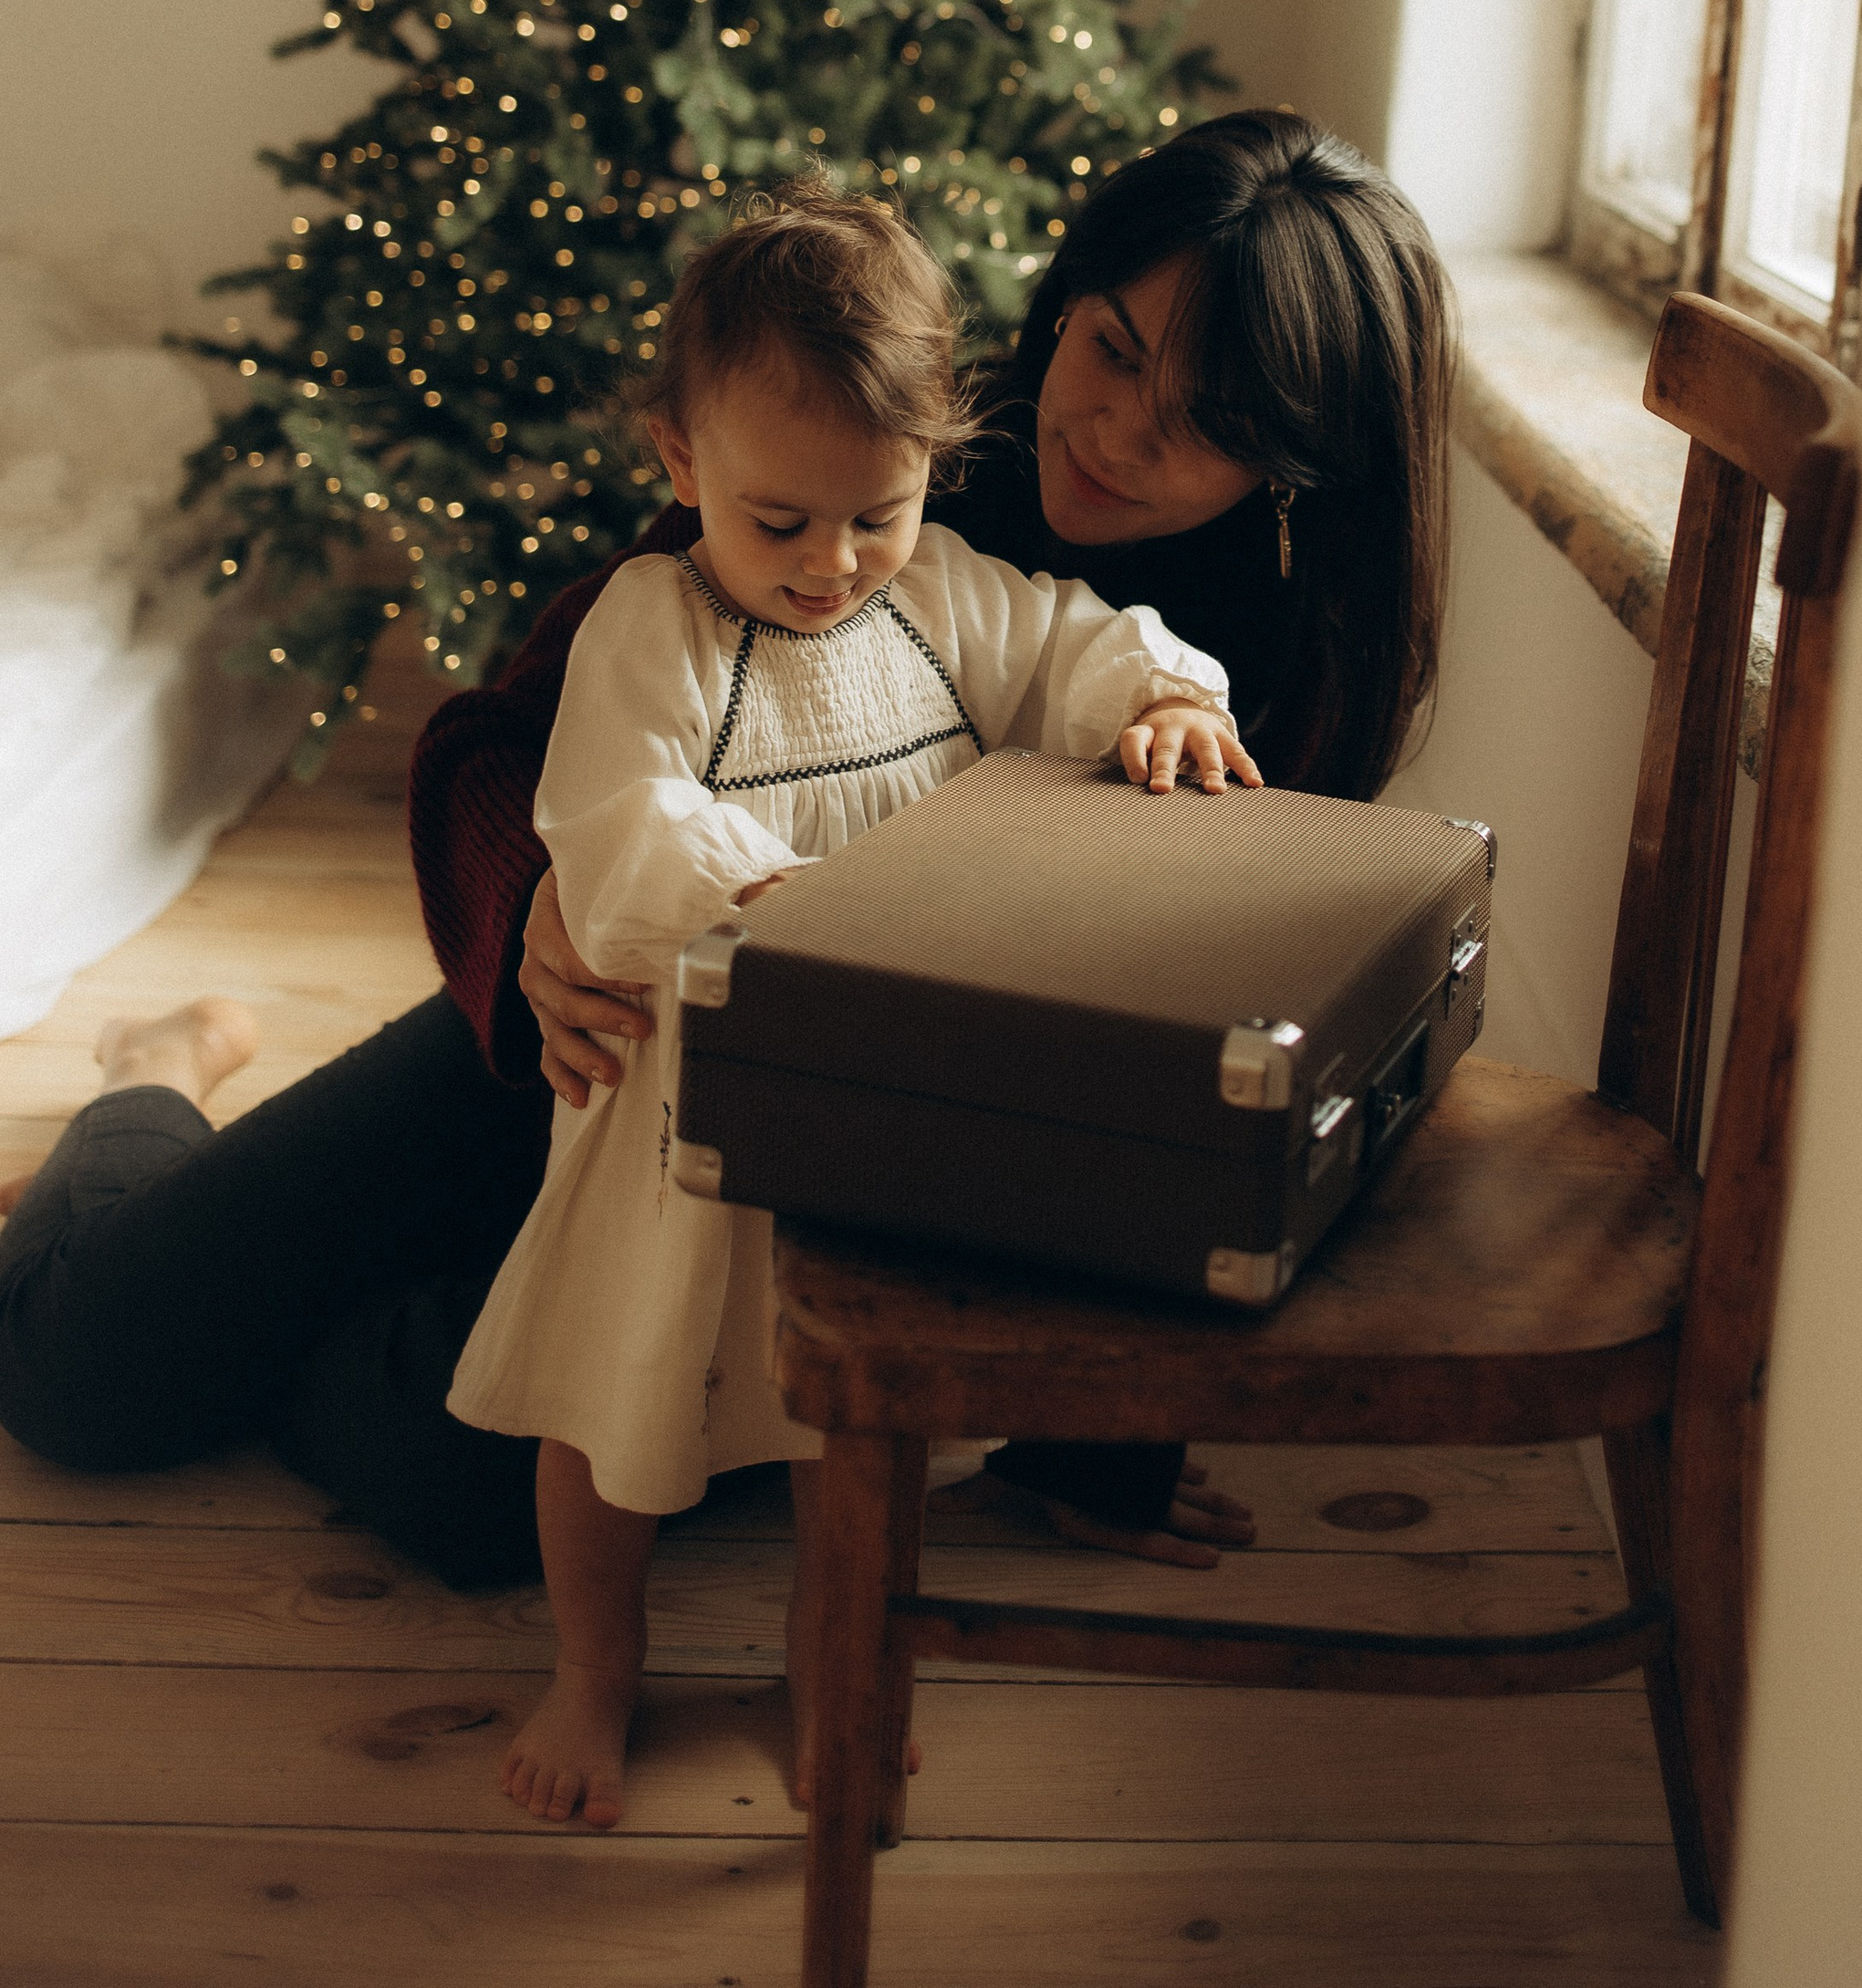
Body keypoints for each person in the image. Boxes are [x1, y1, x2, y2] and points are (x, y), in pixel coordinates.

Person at [0, 112, 1452, 1597]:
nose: (1118, 427)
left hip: (854, 1174)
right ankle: (156, 1077)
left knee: (455, 1481)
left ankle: (362, 1312)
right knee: (79, 1366)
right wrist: (531, 924)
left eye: (1205, 419)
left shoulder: (1269, 686)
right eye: (1115, 347)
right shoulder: (889, 440)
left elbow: (1196, 1113)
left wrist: (1089, 1437)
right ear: (1068, 298)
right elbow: (509, 734)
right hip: (594, 1034)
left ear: (1294, 462)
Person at [450, 187, 1253, 1828]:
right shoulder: (651, 625)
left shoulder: (945, 600)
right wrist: (772, 896)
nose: (830, 566)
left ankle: (826, 1675)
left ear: (931, 474)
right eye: (780, 522)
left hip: (882, 1128)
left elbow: (1079, 646)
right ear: (680, 466)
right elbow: (615, 821)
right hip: (682, 1118)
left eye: (872, 517)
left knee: (849, 1455)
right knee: (612, 1428)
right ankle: (595, 1673)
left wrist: (1160, 694)